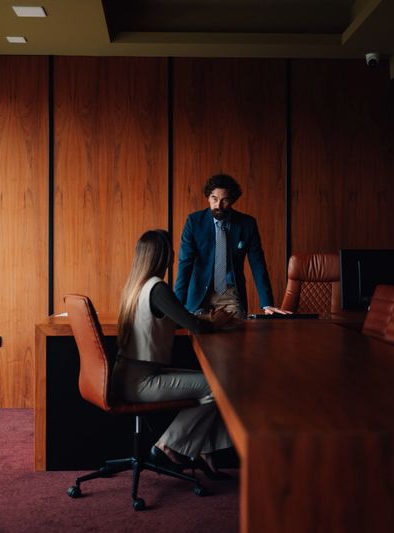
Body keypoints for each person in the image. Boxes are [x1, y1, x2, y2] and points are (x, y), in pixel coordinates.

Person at [113, 229, 235, 479]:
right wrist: (218, 322)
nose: (173, 255)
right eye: (171, 251)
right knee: (218, 385)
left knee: (211, 380)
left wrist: (202, 320)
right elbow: (195, 326)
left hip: (127, 375)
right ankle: (168, 444)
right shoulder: (158, 288)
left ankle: (204, 453)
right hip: (141, 381)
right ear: (165, 256)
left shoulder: (135, 287)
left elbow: (178, 319)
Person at [174, 174, 289, 318]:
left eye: (224, 200)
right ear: (208, 197)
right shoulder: (194, 222)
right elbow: (185, 264)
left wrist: (267, 304)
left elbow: (258, 264)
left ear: (232, 200)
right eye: (214, 198)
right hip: (199, 295)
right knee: (198, 331)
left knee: (236, 330)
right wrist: (176, 304)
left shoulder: (247, 224)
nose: (218, 205)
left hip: (230, 294)